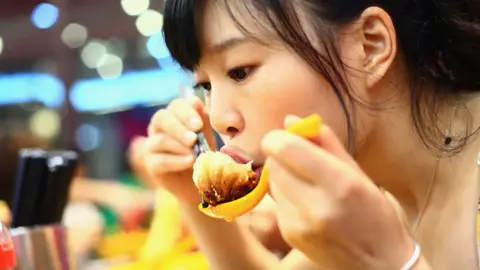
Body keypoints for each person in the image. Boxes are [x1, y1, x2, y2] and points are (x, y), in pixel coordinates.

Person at [144, 1, 480, 269]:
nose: (218, 119)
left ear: (371, 46)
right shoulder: (388, 199)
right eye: (205, 84)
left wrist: (396, 263)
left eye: (240, 72)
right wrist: (195, 198)